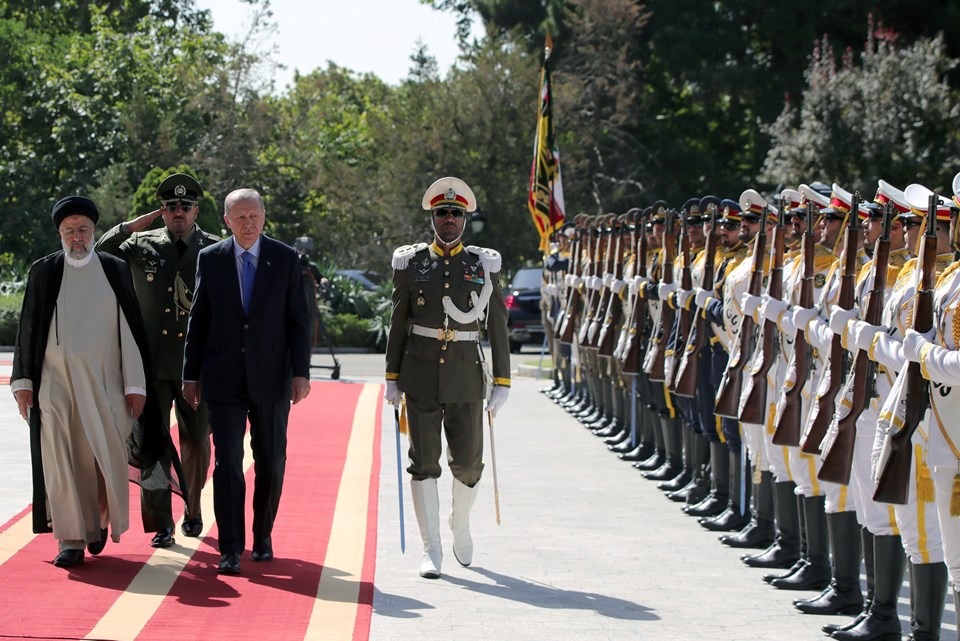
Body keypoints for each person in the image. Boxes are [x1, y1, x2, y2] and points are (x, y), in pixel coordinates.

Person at [12, 196, 169, 567]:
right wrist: (23, 381)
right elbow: (28, 327)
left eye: (83, 229)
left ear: (94, 231)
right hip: (55, 386)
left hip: (106, 384)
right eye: (69, 231)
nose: (77, 237)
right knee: (61, 461)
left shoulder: (114, 269)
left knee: (104, 458)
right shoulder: (44, 271)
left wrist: (136, 385)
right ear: (60, 234)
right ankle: (70, 539)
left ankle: (96, 525)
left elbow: (130, 331)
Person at [384, 176, 511, 579]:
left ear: (465, 218)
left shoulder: (482, 264)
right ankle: (431, 547)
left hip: (466, 377)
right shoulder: (411, 263)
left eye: (456, 213)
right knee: (423, 463)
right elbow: (398, 322)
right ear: (432, 218)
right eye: (443, 213)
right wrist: (392, 377)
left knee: (470, 464)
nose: (450, 220)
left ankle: (460, 524)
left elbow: (498, 326)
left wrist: (503, 381)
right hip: (419, 375)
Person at [182, 188, 311, 575]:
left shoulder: (285, 258)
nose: (248, 223)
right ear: (226, 221)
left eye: (253, 216)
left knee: (271, 462)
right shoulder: (212, 258)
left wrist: (301, 372)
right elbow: (199, 319)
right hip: (223, 379)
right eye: (239, 217)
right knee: (228, 464)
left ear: (264, 216)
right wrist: (190, 374)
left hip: (272, 377)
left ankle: (263, 534)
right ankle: (230, 547)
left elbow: (298, 321)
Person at [96, 173, 220, 548]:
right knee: (151, 445)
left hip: (195, 366)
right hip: (148, 366)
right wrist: (134, 224)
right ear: (161, 211)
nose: (177, 212)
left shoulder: (213, 248)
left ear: (196, 210)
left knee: (197, 442)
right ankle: (160, 521)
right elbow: (101, 251)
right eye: (170, 207)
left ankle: (193, 508)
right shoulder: (140, 245)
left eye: (185, 206)